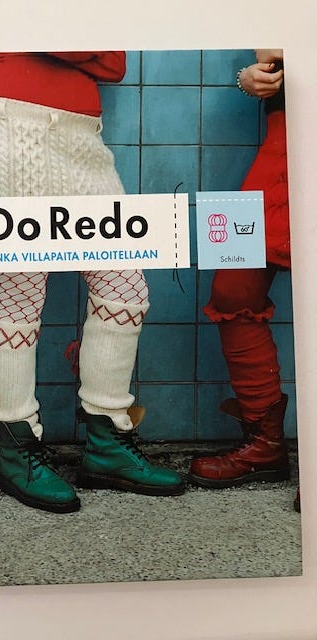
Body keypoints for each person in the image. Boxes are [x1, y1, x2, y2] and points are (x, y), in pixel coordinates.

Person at [0, 52, 184, 513]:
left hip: (83, 140)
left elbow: (115, 64)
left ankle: (108, 444)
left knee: (125, 288)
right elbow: (71, 41)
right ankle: (17, 450)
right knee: (21, 291)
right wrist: (85, 44)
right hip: (12, 130)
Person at [188, 50, 294, 492]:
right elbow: (273, 52)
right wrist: (249, 76)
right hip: (281, 146)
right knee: (232, 289)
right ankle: (264, 444)